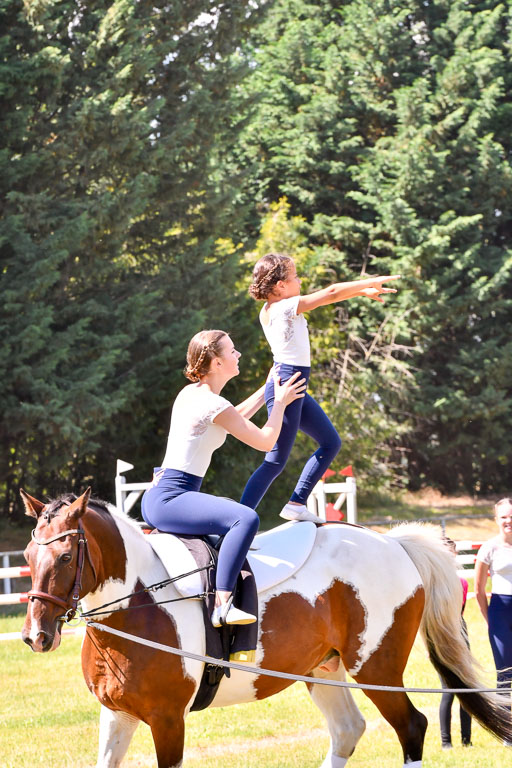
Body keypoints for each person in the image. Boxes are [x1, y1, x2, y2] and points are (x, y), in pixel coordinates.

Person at [141, 329, 306, 628]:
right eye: (232, 351)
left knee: (235, 515)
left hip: (158, 497)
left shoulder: (194, 395)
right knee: (245, 519)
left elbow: (234, 417)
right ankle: (222, 604)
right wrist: (278, 403)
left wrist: (267, 387)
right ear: (216, 363)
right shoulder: (212, 404)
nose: (238, 354)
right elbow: (266, 441)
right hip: (172, 498)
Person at [240, 252, 400, 522]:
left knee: (330, 442)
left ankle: (296, 503)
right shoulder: (282, 308)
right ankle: (237, 520)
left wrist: (360, 293)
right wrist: (367, 283)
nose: (301, 281)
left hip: (293, 381)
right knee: (276, 459)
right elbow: (332, 293)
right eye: (295, 277)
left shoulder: (271, 309)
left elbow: (332, 295)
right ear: (280, 286)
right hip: (288, 383)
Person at [475, 498, 512, 706]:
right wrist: (489, 618)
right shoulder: (489, 548)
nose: (508, 521)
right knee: (505, 673)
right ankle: (506, 730)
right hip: (500, 612)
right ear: (496, 519)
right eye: (504, 517)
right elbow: (478, 589)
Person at [439, 538, 472, 749]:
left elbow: (460, 613)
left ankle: (467, 740)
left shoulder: (462, 583)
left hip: (461, 633)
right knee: (448, 690)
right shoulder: (434, 583)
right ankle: (446, 741)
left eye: (451, 554)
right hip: (441, 635)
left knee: (467, 690)